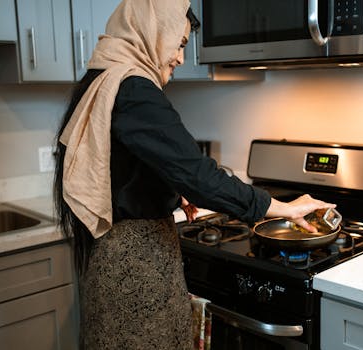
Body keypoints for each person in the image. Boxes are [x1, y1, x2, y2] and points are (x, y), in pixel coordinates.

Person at [53, 0, 336, 349]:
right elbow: (199, 176)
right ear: (154, 30)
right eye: (181, 43)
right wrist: (279, 207)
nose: (180, 58)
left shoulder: (105, 76)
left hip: (112, 262)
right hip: (136, 269)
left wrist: (171, 186)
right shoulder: (134, 87)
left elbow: (122, 167)